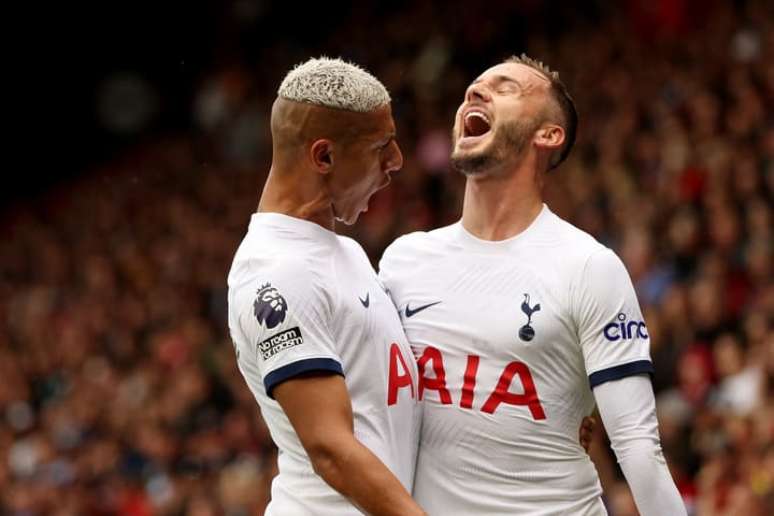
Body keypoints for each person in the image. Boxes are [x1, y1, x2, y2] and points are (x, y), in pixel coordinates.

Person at [379, 54, 687, 515]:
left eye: (506, 88)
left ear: (548, 134)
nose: (474, 93)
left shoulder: (588, 267)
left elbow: (640, 451)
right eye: (475, 85)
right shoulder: (403, 261)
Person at [227, 57, 425, 516]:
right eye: (382, 146)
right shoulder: (277, 272)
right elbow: (331, 450)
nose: (397, 162)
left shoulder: (344, 252)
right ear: (324, 156)